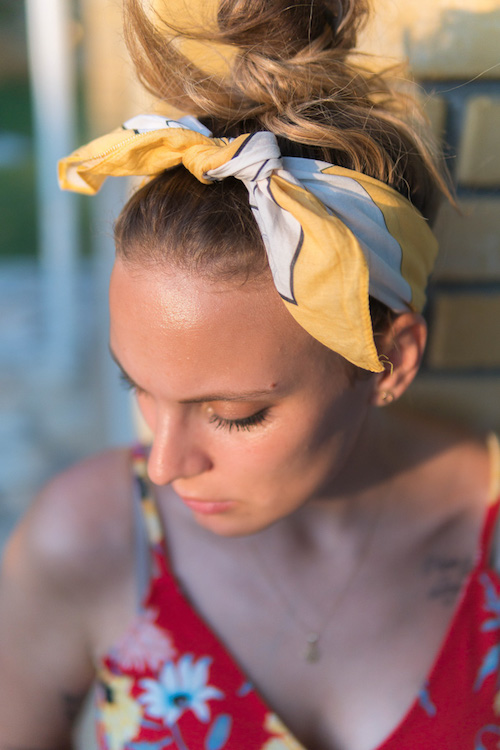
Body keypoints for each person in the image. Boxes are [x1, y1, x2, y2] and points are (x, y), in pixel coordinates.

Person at [1, 0, 499, 748]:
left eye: (234, 414)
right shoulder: (88, 544)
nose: (164, 465)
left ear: (389, 362)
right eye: (136, 385)